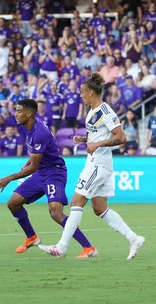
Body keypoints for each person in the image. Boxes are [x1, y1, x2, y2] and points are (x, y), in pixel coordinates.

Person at [38, 73, 145, 260]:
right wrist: (85, 139)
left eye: (82, 92)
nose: (80, 95)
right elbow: (98, 135)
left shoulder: (105, 112)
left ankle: (61, 247)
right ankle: (134, 238)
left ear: (91, 93)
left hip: (98, 164)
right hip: (96, 163)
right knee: (99, 208)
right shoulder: (92, 111)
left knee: (76, 201)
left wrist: (97, 145)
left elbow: (121, 138)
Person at [0, 99, 97, 258]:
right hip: (41, 173)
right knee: (13, 203)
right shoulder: (31, 127)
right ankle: (31, 237)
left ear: (29, 114)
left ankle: (88, 248)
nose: (16, 114)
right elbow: (38, 156)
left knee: (56, 212)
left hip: (54, 173)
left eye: (19, 111)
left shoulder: (39, 132)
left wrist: (9, 178)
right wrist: (28, 162)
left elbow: (33, 166)